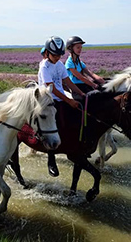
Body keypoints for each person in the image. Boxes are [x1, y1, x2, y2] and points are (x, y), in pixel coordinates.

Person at [38, 36, 85, 177]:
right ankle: (51, 159)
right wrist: (68, 101)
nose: (58, 57)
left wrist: (81, 93)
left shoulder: (59, 65)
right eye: (54, 54)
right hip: (48, 98)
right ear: (47, 53)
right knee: (56, 122)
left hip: (61, 96)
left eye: (59, 54)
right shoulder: (44, 67)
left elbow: (67, 82)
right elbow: (52, 88)